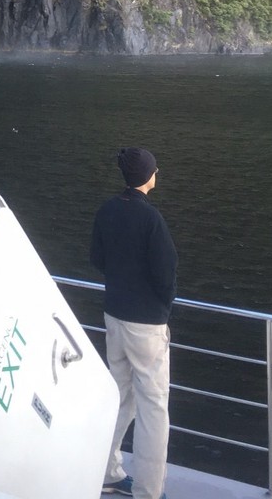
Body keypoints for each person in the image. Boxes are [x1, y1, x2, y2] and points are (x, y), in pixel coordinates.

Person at [90, 146, 177, 499]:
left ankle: (107, 471)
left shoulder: (107, 210)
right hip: (147, 325)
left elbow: (97, 258)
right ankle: (149, 491)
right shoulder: (151, 219)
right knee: (153, 407)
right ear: (148, 176)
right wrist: (162, 307)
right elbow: (166, 273)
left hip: (114, 316)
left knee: (119, 395)